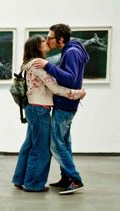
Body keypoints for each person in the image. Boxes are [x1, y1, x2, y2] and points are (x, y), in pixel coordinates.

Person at [12, 35, 85, 192]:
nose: (47, 42)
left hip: (32, 108)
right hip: (40, 109)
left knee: (29, 145)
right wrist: (78, 93)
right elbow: (55, 88)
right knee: (41, 148)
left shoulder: (27, 64)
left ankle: (19, 178)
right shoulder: (38, 65)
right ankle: (33, 184)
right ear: (37, 47)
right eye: (43, 42)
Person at [33, 24, 90, 194]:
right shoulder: (71, 51)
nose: (48, 40)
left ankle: (74, 179)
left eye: (50, 37)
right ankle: (66, 178)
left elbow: (71, 80)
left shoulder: (71, 52)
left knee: (56, 144)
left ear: (61, 39)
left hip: (65, 105)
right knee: (64, 142)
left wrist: (48, 66)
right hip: (66, 104)